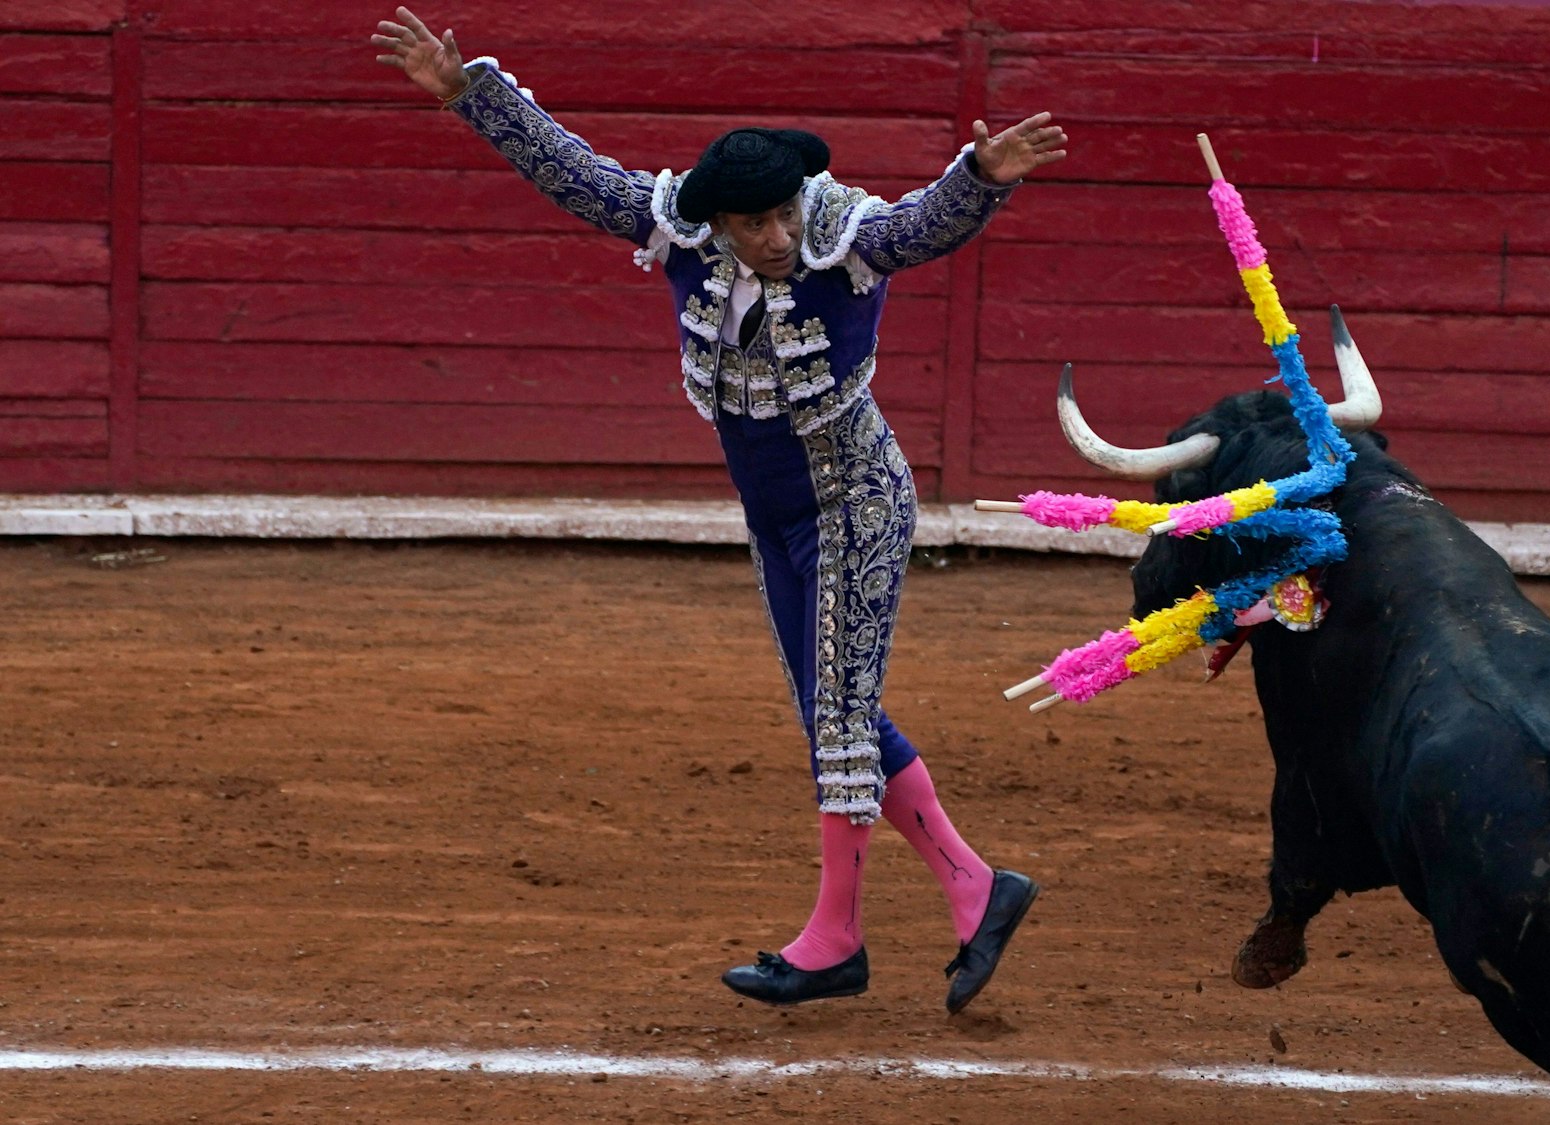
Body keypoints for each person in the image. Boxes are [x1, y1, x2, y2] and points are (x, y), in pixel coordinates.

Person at [370, 7, 1065, 1012]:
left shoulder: (842, 237)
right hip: (775, 515)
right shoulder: (680, 229)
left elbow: (920, 226)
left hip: (852, 501)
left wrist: (980, 180)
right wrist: (470, 94)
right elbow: (578, 176)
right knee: (834, 713)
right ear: (719, 221)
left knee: (835, 717)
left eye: (783, 214)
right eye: (754, 225)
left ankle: (836, 940)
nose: (777, 238)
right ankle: (972, 886)